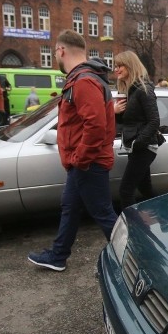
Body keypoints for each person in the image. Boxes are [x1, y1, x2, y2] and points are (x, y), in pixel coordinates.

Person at [27, 30, 117, 272]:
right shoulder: (82, 78)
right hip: (82, 164)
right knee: (70, 207)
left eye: (55, 52)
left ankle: (134, 259)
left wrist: (81, 159)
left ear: (61, 50)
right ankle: (58, 256)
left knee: (104, 215)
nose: (55, 55)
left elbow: (96, 126)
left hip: (88, 164)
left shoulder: (84, 81)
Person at [114, 50, 162, 208]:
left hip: (144, 147)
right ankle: (167, 215)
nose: (116, 69)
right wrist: (116, 112)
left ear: (130, 66)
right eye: (115, 66)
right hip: (135, 146)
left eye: (120, 65)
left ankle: (132, 230)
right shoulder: (129, 91)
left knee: (125, 191)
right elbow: (126, 122)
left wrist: (137, 143)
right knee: (145, 188)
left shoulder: (144, 89)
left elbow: (154, 121)